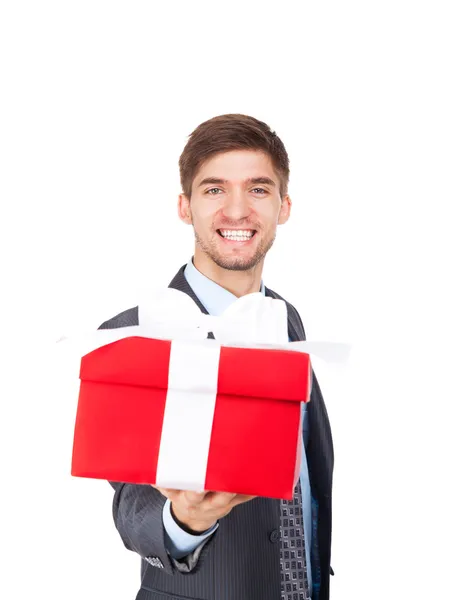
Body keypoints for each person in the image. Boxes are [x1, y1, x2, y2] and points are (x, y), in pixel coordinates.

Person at [99, 114, 334, 600]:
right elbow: (134, 510)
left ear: (284, 206)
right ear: (185, 207)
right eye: (213, 190)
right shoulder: (134, 335)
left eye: (258, 189)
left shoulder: (284, 318)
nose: (236, 210)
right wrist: (184, 521)